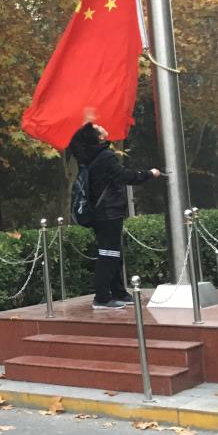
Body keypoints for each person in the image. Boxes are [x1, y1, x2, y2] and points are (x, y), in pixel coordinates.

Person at [67, 122, 161, 310]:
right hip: (108, 212)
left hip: (99, 212)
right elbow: (125, 176)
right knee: (109, 254)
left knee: (112, 253)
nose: (102, 126)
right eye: (98, 127)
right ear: (99, 137)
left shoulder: (88, 156)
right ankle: (102, 298)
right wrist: (149, 174)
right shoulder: (105, 157)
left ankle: (119, 292)